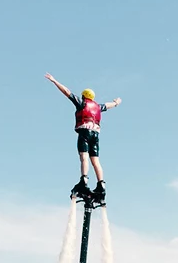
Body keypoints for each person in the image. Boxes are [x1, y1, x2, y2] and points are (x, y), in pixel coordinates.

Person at [44, 73, 121, 205]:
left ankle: (84, 180)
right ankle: (101, 184)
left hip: (84, 132)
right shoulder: (97, 107)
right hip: (96, 133)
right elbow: (107, 105)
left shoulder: (82, 103)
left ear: (84, 96)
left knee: (84, 157)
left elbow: (67, 92)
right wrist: (116, 103)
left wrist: (54, 81)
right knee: (95, 160)